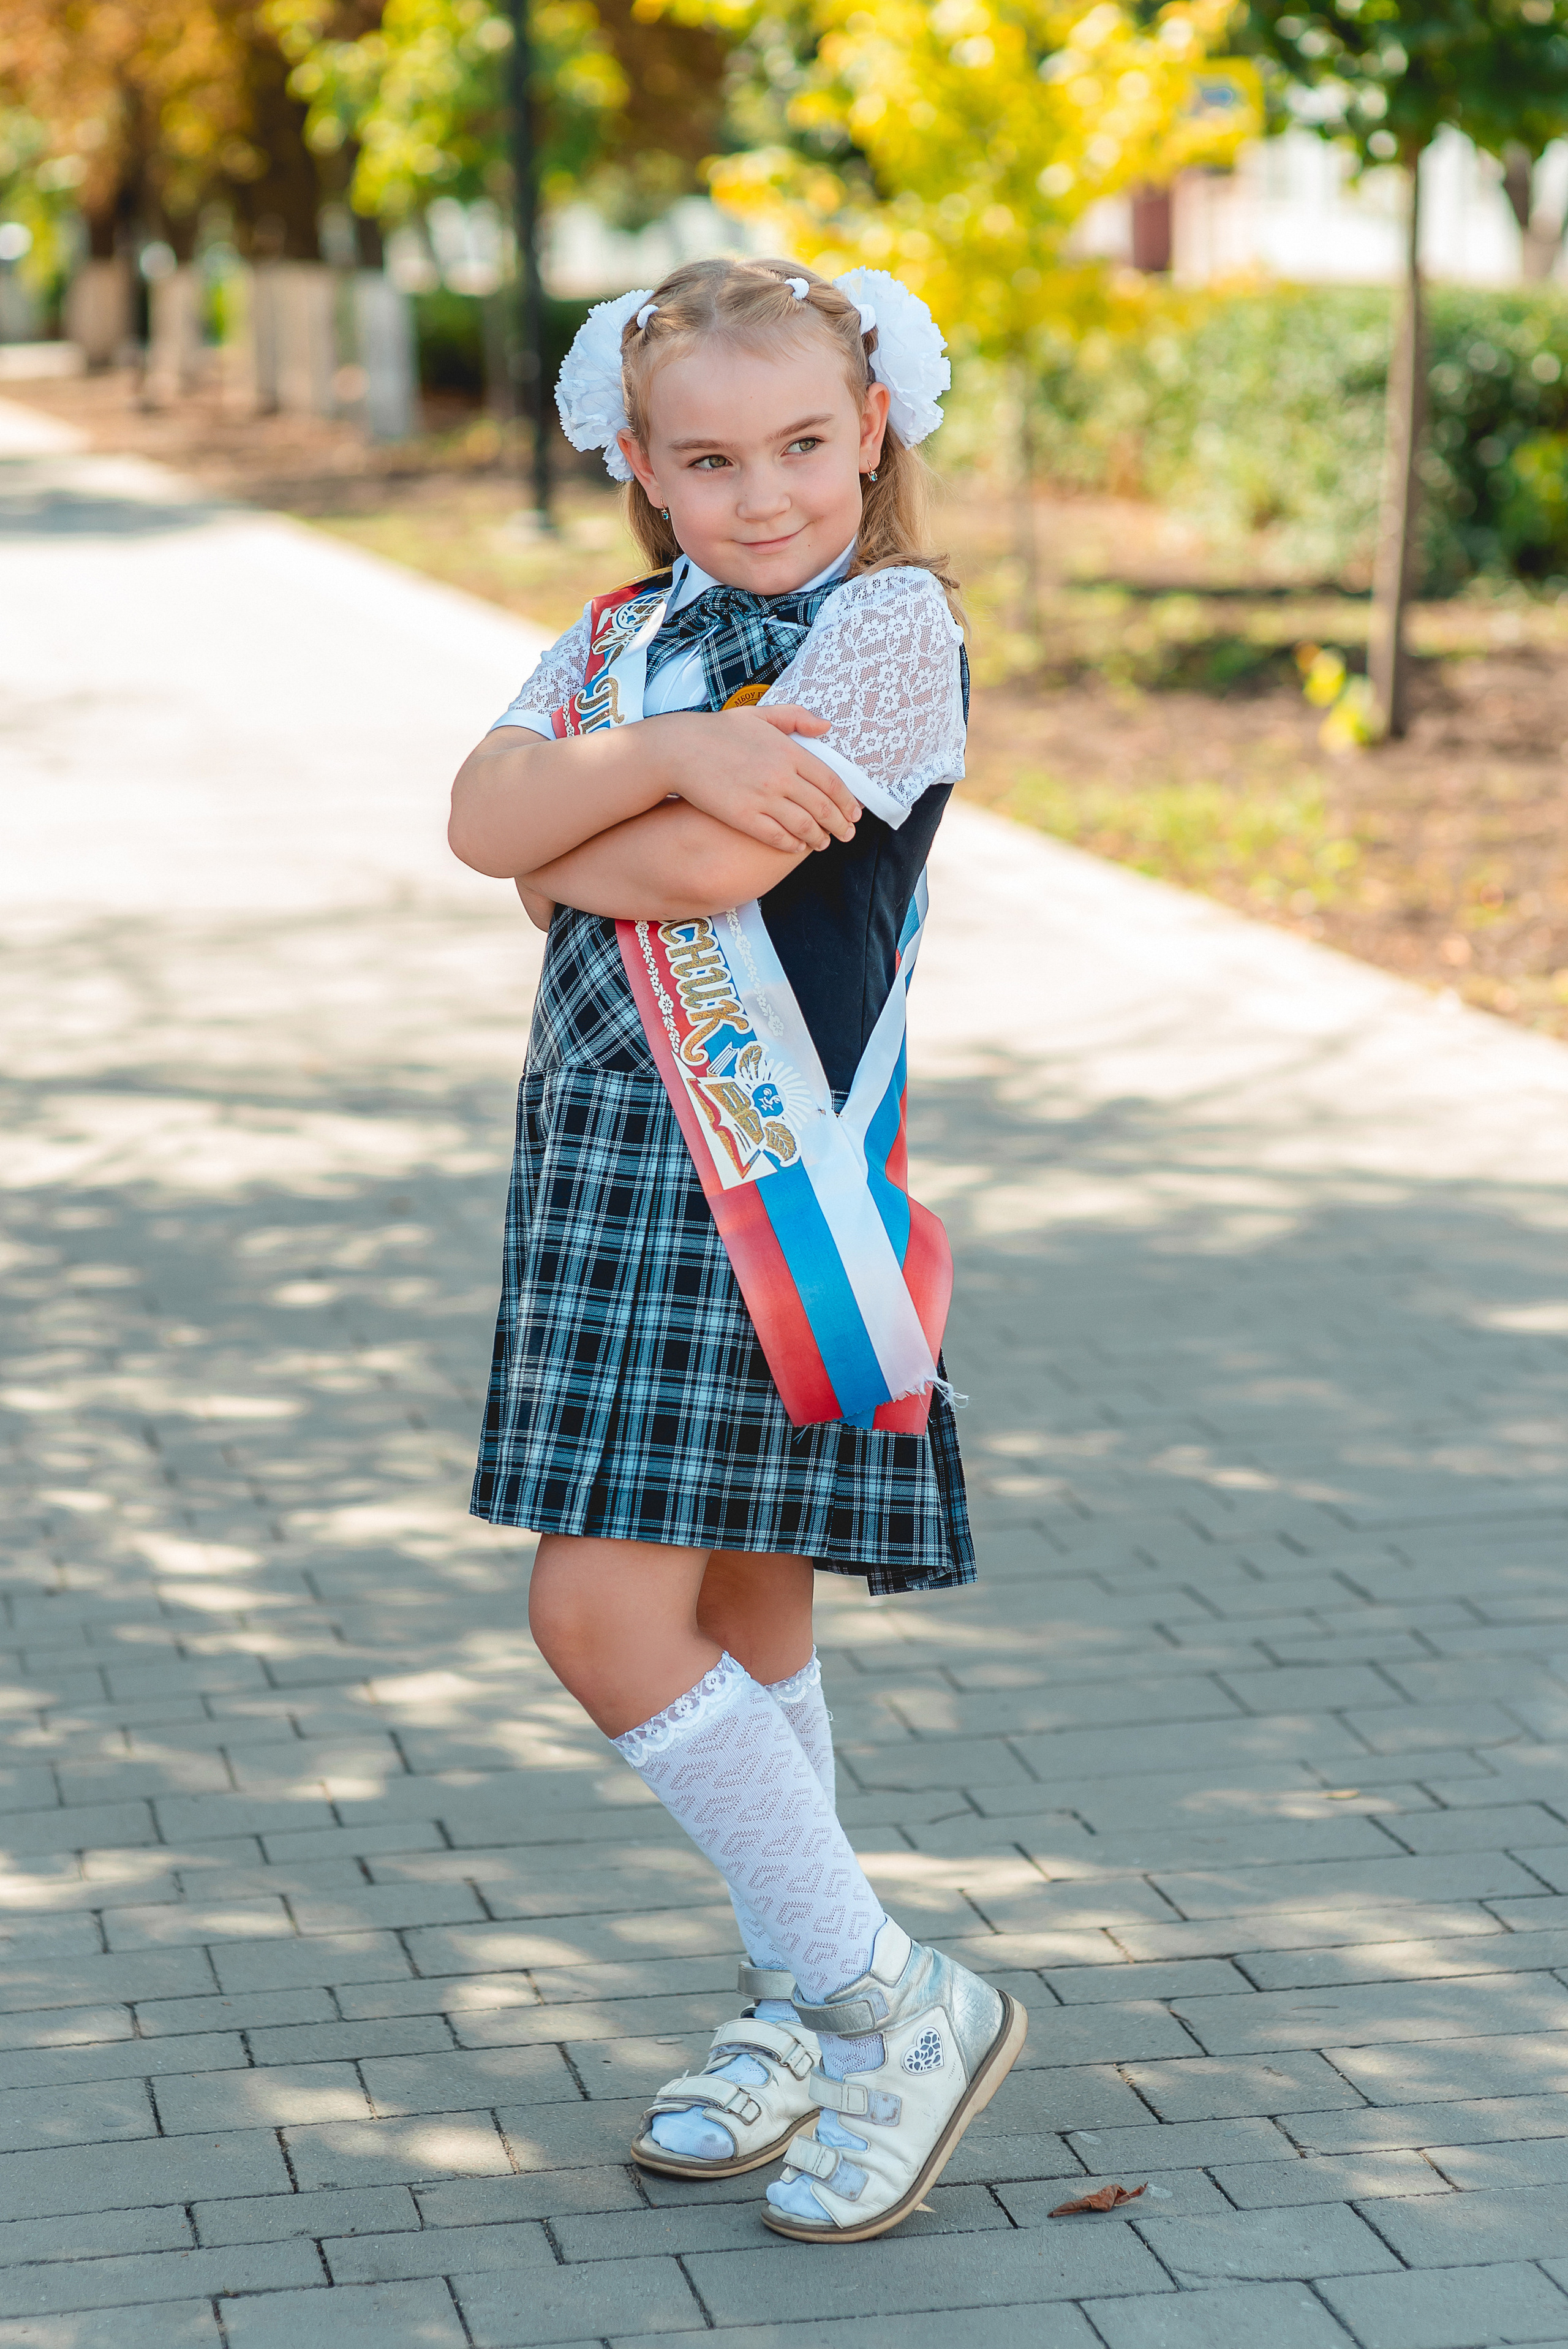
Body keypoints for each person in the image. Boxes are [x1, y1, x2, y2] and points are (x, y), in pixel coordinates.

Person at [447, 255, 1024, 2245]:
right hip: (609, 1168)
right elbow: (475, 817)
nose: (765, 491)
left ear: (874, 430)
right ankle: (805, 1997)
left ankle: (892, 1998)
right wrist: (675, 751)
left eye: (802, 444)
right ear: (641, 463)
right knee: (751, 1609)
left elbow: (664, 872)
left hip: (760, 1186)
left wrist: (583, 828)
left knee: (599, 1622)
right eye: (711, 457)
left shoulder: (894, 630)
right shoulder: (621, 640)